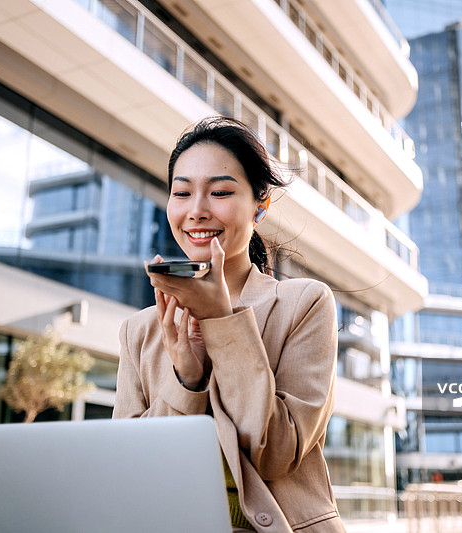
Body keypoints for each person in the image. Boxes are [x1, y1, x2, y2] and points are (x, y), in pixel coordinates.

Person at [113, 116, 346, 532]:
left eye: (220, 192)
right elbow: (133, 471)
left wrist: (222, 323)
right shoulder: (140, 331)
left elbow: (276, 451)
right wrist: (187, 379)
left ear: (261, 204)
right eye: (181, 192)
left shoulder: (304, 304)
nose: (197, 211)